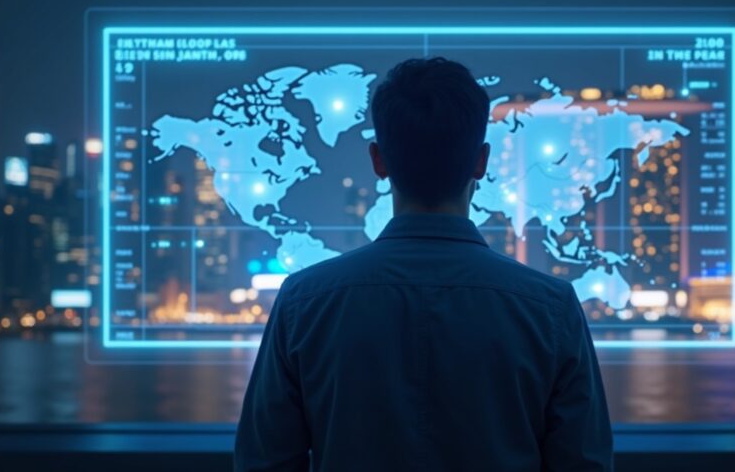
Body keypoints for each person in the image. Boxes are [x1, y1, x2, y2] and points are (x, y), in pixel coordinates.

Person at [235, 57, 613, 471]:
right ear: (481, 162)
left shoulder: (303, 302)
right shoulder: (551, 308)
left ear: (378, 160)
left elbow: (264, 462)